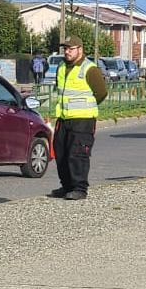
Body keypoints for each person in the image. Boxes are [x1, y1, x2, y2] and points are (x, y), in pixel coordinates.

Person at [50, 35, 108, 201]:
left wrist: (86, 106)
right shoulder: (62, 67)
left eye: (71, 49)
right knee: (61, 153)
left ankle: (79, 188)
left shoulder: (90, 69)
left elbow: (101, 93)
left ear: (80, 50)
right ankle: (67, 186)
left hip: (83, 119)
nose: (67, 52)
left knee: (78, 154)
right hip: (64, 118)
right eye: (65, 49)